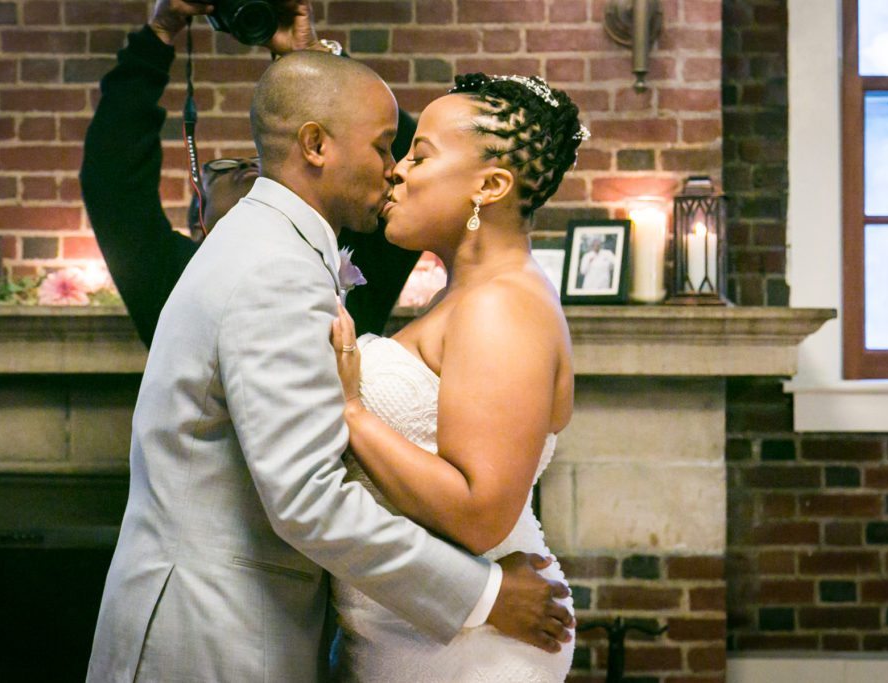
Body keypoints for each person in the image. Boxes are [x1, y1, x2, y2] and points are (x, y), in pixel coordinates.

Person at [87, 30, 573, 683]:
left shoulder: (282, 249)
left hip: (397, 643)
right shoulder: (275, 267)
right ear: (316, 146)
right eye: (383, 147)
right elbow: (306, 496)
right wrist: (483, 594)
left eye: (410, 153)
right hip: (212, 631)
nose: (393, 166)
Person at [329, 73, 586, 680]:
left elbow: (479, 513)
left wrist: (349, 413)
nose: (397, 171)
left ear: (490, 186)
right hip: (414, 631)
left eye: (420, 155)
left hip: (472, 651)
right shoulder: (463, 294)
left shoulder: (502, 307)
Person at [80, 0, 421, 347]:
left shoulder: (346, 276)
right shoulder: (178, 281)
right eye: (225, 169)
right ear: (200, 225)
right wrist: (159, 33)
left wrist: (312, 57)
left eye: (259, 167)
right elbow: (112, 180)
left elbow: (401, 157)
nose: (249, 169)